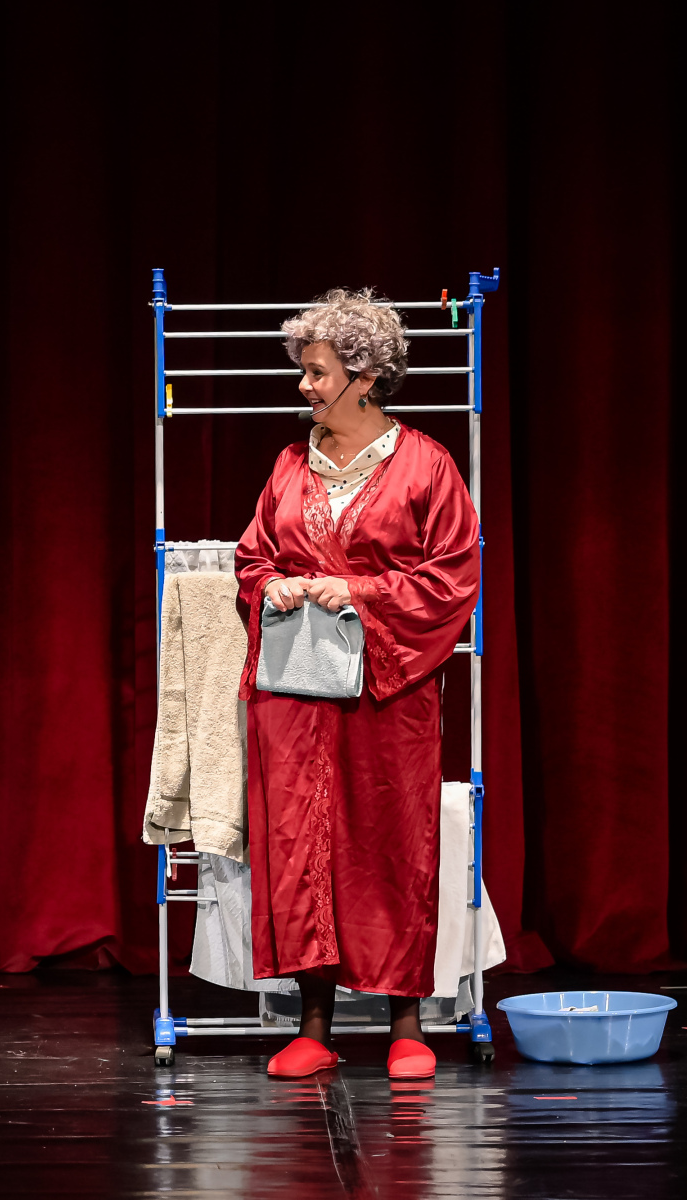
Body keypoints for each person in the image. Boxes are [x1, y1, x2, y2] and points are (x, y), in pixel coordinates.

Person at [235, 290, 480, 1082]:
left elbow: (452, 576)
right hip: (296, 690)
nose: (304, 386)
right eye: (304, 371)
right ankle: (315, 1022)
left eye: (317, 372)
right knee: (301, 841)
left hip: (387, 692)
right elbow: (253, 556)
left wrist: (362, 591)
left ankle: (407, 1022)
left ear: (364, 376)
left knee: (389, 841)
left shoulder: (426, 466)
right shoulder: (289, 464)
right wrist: (271, 583)